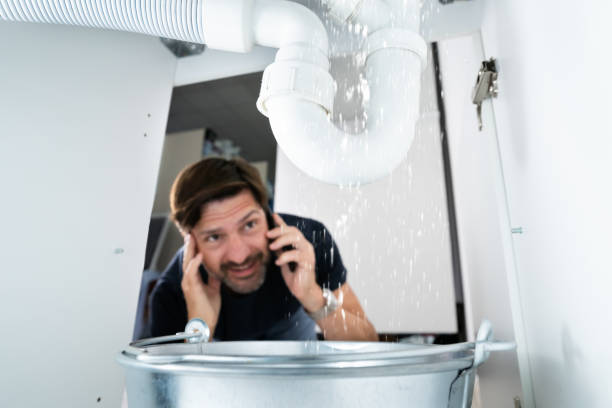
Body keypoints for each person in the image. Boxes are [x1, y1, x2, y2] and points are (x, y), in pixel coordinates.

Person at [149, 157, 377, 341]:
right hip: (222, 340)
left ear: (267, 213)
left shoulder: (310, 241)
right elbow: (174, 394)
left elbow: (367, 344)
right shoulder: (171, 292)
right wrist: (201, 327)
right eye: (214, 237)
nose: (239, 255)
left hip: (290, 321)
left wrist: (313, 298)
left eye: (249, 225)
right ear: (190, 240)